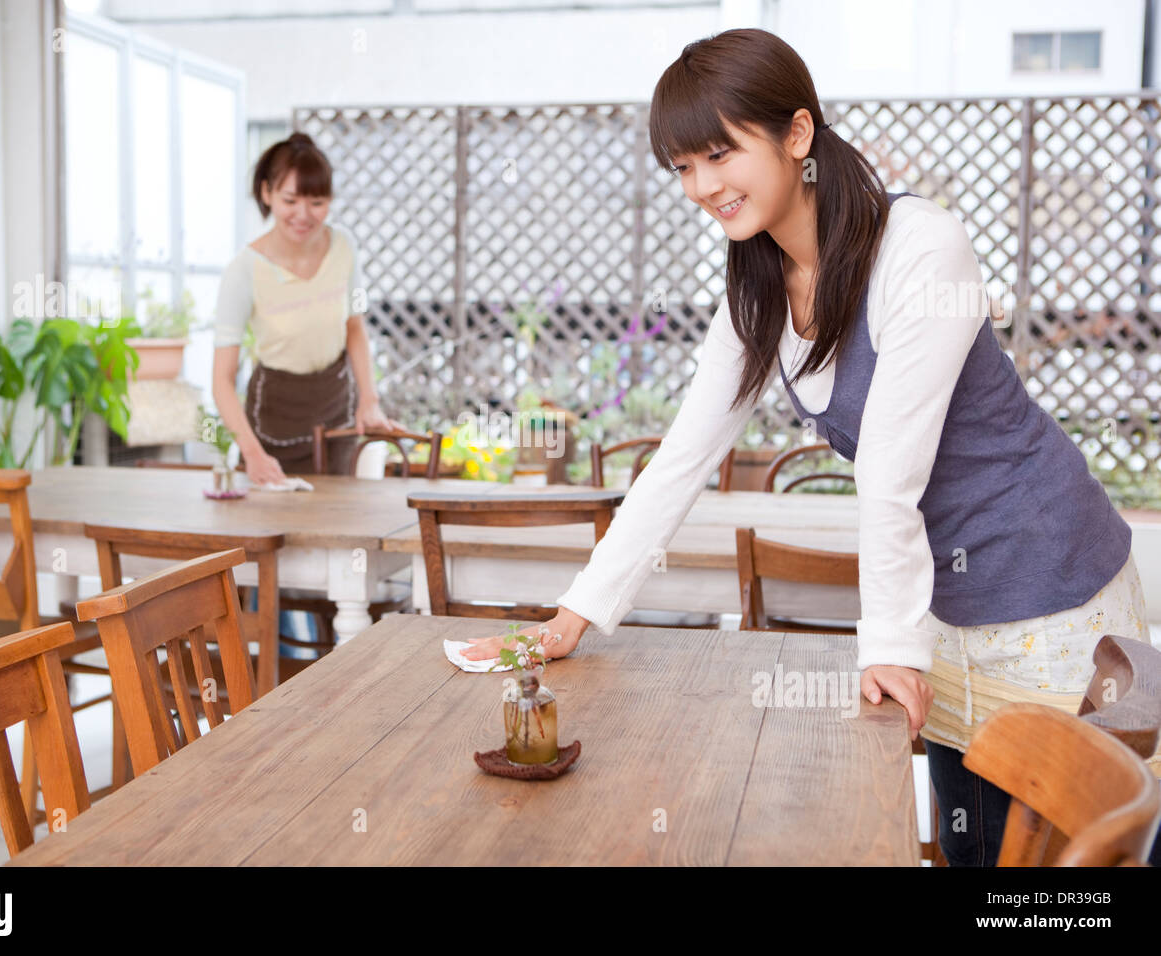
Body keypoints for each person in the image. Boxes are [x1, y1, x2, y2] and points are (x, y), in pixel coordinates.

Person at [460, 28, 1157, 866]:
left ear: (797, 136)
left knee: (1059, 882)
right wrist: (576, 614)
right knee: (974, 853)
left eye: (720, 152)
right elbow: (682, 458)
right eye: (682, 166)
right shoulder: (756, 294)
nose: (701, 186)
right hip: (942, 606)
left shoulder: (921, 248)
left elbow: (893, 473)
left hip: (1051, 591)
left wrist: (890, 646)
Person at [212, 131, 402, 486]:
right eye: (290, 200)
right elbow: (221, 380)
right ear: (267, 193)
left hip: (336, 407)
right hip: (273, 417)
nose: (303, 215)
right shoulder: (244, 269)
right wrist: (252, 454)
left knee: (338, 518)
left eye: (317, 202)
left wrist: (369, 400)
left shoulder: (345, 246)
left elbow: (355, 326)